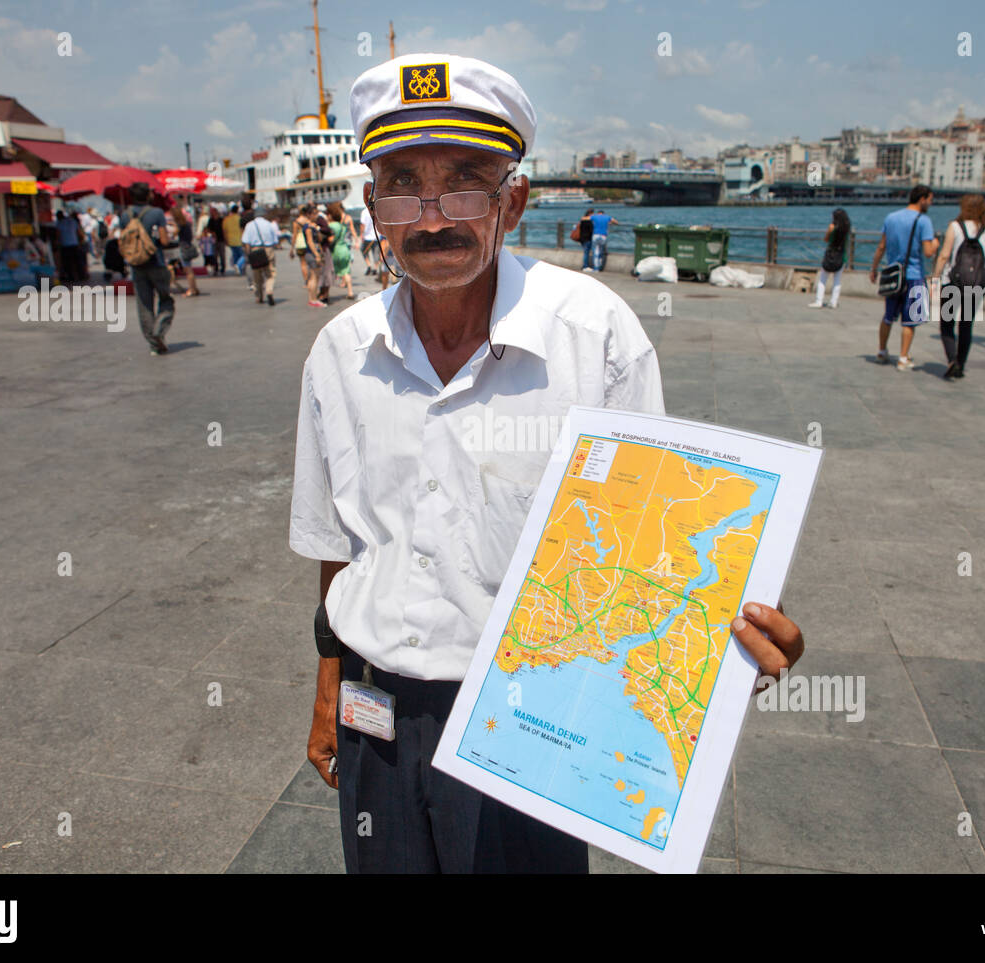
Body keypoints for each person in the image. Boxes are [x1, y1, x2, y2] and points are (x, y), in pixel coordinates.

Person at [289, 52, 805, 875]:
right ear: (372, 207)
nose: (431, 219)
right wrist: (327, 692)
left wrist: (723, 642)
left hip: (528, 719)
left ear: (514, 200)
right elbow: (336, 544)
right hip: (373, 712)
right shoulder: (338, 351)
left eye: (465, 182)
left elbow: (649, 544)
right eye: (402, 185)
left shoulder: (593, 336)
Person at [869, 184, 938, 371]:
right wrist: (936, 243)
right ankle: (903, 358)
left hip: (893, 275)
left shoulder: (891, 217)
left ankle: (882, 351)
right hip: (914, 276)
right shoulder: (924, 221)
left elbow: (881, 246)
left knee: (888, 316)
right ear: (922, 199)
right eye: (930, 200)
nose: (931, 204)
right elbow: (928, 252)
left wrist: (874, 268)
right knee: (910, 320)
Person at [932, 193, 985, 380]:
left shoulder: (955, 227)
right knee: (966, 325)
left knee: (947, 323)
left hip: (953, 282)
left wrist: (935, 278)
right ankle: (961, 365)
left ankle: (952, 360)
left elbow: (944, 255)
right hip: (976, 284)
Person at [119, 181, 175, 355]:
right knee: (166, 299)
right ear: (148, 195)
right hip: (156, 261)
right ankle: (159, 331)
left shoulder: (124, 216)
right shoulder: (156, 213)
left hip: (136, 264)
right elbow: (165, 241)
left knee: (144, 304)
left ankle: (153, 344)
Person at [808, 208, 850, 308]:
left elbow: (826, 239)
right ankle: (834, 302)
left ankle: (819, 301)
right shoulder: (846, 228)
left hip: (831, 254)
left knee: (823, 279)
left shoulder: (832, 227)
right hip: (841, 255)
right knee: (837, 280)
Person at [241, 205, 280, 305]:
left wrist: (248, 254)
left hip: (255, 250)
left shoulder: (249, 225)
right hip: (268, 249)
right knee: (270, 273)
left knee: (257, 275)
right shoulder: (269, 224)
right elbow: (275, 241)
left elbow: (246, 242)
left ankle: (259, 296)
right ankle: (269, 290)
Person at [169, 203, 200, 297]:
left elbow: (174, 234)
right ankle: (194, 288)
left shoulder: (180, 225)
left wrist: (173, 226)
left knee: (188, 271)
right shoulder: (187, 223)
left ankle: (191, 289)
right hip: (188, 246)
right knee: (190, 270)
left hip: (184, 248)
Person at [327, 200, 355, 300]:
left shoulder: (331, 226)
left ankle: (326, 293)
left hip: (336, 250)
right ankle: (350, 291)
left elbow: (330, 239)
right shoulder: (342, 225)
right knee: (346, 270)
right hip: (345, 249)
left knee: (329, 271)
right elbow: (351, 230)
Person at [223, 203, 244, 276]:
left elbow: (224, 231)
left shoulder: (226, 219)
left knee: (235, 255)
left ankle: (237, 267)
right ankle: (238, 265)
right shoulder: (240, 219)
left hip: (230, 240)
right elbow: (242, 229)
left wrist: (226, 240)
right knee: (243, 255)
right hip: (239, 240)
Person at [359, 203, 379, 274]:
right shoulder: (376, 211)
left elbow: (362, 224)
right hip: (376, 236)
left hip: (367, 237)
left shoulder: (364, 212)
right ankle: (375, 269)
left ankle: (369, 265)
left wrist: (361, 234)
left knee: (363, 251)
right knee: (376, 253)